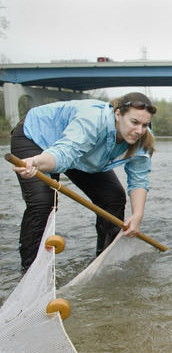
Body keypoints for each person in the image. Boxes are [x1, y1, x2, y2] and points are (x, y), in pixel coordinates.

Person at [11, 92, 157, 272]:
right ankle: (30, 270)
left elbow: (139, 178)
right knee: (43, 203)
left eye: (144, 125)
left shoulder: (142, 137)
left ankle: (106, 262)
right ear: (118, 114)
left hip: (79, 151)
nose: (139, 130)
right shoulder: (92, 121)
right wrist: (35, 162)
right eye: (134, 122)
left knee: (113, 198)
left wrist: (137, 216)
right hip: (36, 138)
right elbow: (64, 154)